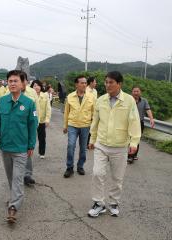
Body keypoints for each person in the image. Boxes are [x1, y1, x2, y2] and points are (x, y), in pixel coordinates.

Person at [88, 71, 141, 218]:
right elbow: (95, 121)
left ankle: (113, 202)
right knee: (97, 173)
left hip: (120, 146)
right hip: (102, 144)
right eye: (106, 82)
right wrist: (92, 139)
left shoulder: (129, 100)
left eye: (111, 82)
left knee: (117, 178)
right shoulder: (101, 100)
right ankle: (99, 203)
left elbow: (134, 121)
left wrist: (134, 142)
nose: (107, 85)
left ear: (119, 84)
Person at [0, 70, 38, 223]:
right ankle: (14, 198)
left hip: (21, 148)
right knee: (11, 177)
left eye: (15, 81)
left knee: (17, 178)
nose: (12, 83)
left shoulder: (29, 103)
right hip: (5, 147)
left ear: (22, 83)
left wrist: (31, 145)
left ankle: (13, 208)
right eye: (10, 81)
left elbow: (33, 125)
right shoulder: (2, 101)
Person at [63, 75, 95, 178]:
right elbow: (66, 112)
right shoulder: (70, 96)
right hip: (72, 125)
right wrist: (65, 126)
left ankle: (80, 166)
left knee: (83, 148)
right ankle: (69, 167)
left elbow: (94, 113)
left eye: (85, 83)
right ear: (76, 84)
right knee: (71, 145)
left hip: (85, 125)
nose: (84, 85)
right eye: (82, 83)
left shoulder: (91, 96)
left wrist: (94, 129)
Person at [20, 71, 40, 186]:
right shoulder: (10, 91)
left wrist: (36, 123)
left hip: (29, 127)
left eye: (23, 80)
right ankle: (16, 174)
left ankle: (27, 175)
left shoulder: (32, 92)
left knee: (28, 150)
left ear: (26, 81)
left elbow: (37, 109)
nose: (21, 83)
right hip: (17, 127)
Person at [127, 86, 155, 163]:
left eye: (137, 91)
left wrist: (151, 119)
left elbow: (148, 110)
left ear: (140, 92)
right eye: (134, 91)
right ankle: (129, 155)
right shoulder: (128, 100)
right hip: (128, 122)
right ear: (131, 92)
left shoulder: (144, 101)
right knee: (128, 139)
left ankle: (132, 155)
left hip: (139, 123)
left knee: (136, 139)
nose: (136, 93)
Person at [31, 80, 51, 159]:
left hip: (42, 120)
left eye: (37, 85)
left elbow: (48, 108)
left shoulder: (45, 95)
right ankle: (28, 151)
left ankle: (42, 152)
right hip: (32, 120)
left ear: (40, 86)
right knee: (30, 137)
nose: (36, 87)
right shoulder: (29, 96)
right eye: (34, 85)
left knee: (42, 137)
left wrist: (47, 119)